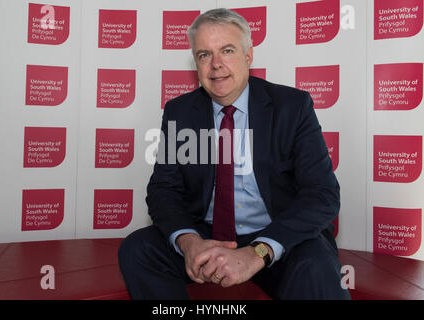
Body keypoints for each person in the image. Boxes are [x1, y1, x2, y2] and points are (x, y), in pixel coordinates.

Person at [118, 8, 350, 300]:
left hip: (277, 237)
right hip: (206, 238)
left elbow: (322, 195)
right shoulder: (180, 111)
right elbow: (164, 190)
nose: (216, 65)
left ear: (248, 56)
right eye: (204, 55)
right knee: (138, 249)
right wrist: (190, 243)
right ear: (196, 63)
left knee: (315, 264)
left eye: (226, 50)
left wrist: (257, 253)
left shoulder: (292, 107)